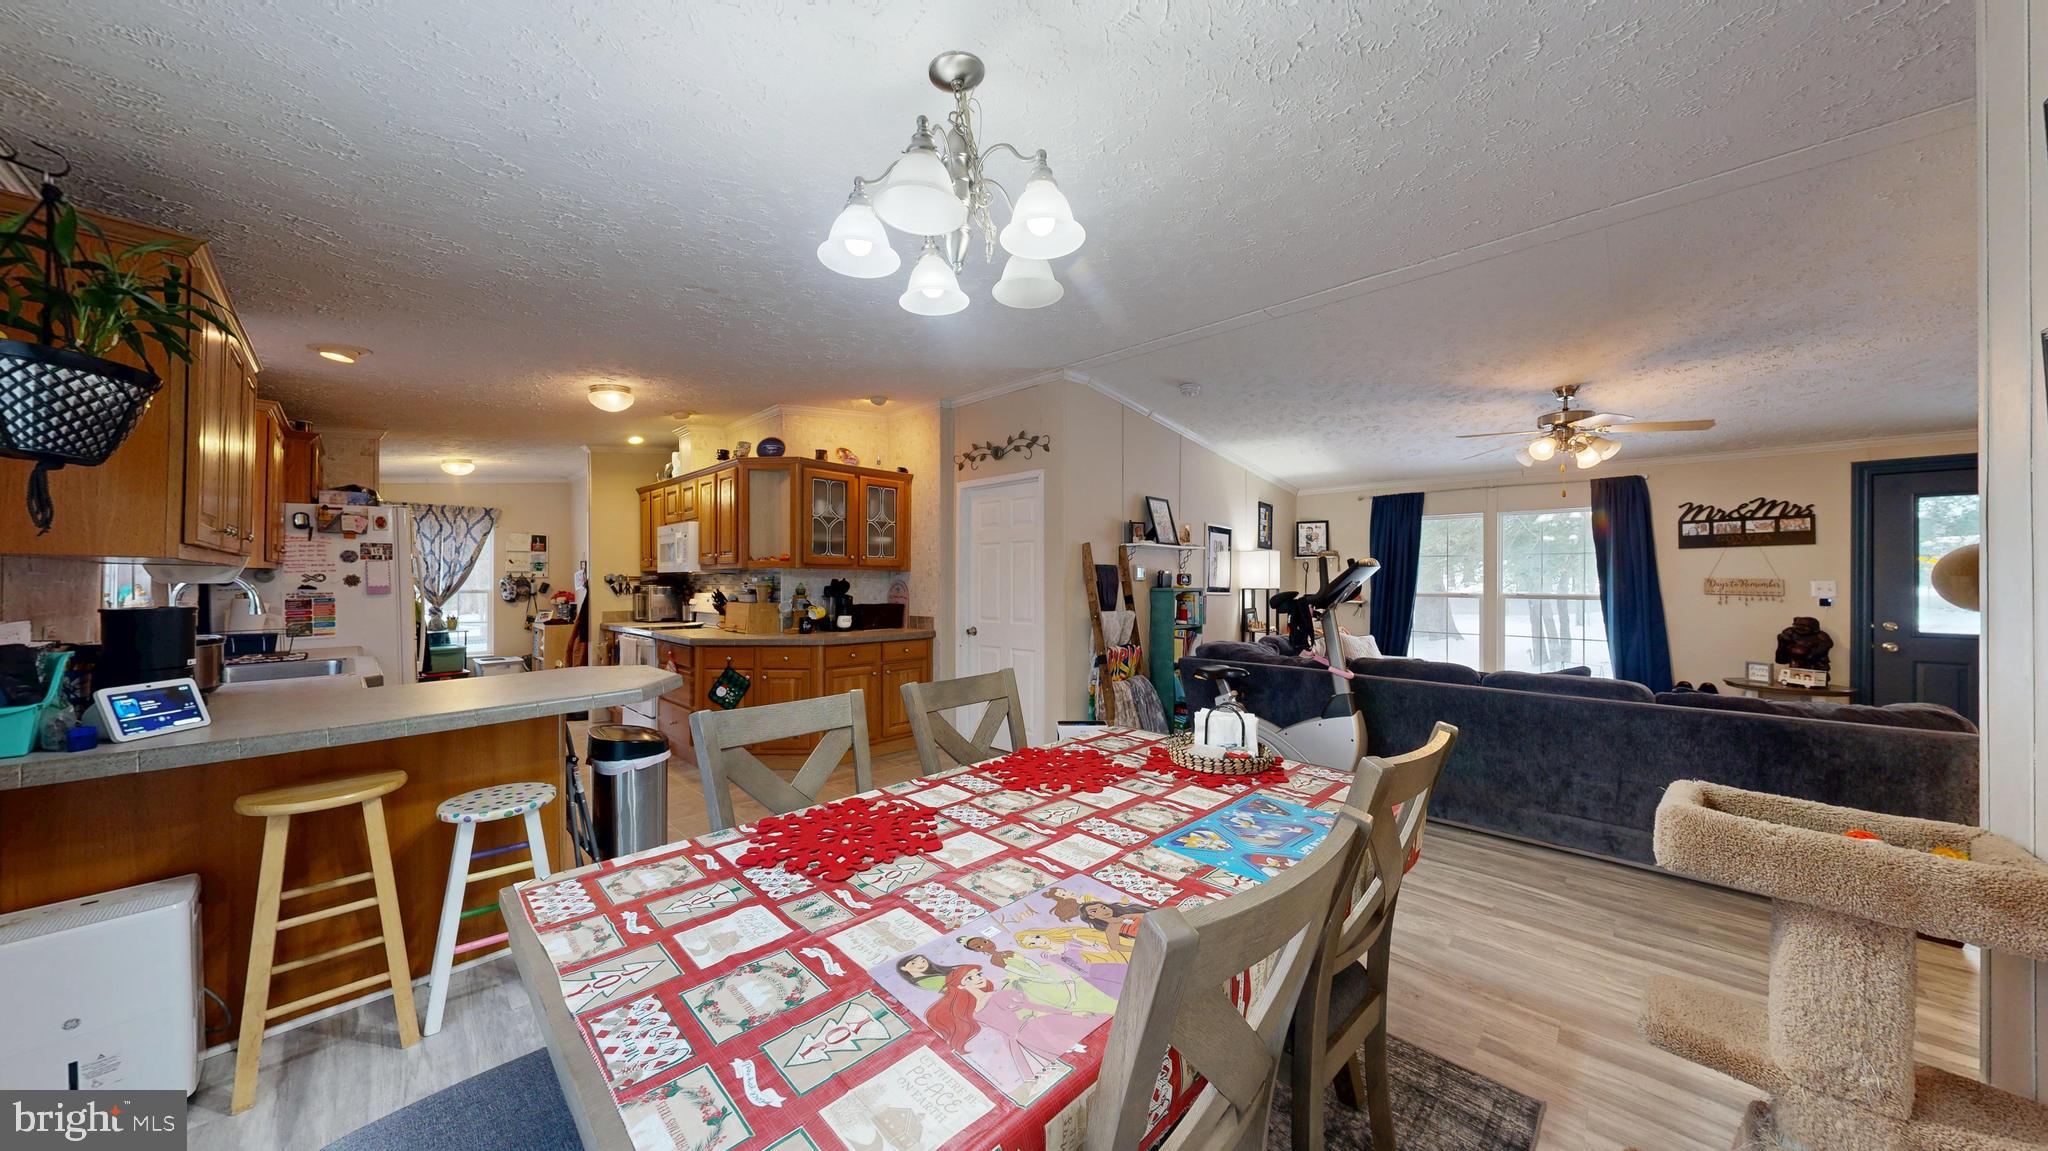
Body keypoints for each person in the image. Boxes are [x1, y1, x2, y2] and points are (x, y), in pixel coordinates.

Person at [925, 966, 1106, 1082]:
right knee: (1051, 1072)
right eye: (970, 978)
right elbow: (1002, 1032)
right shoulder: (971, 1012)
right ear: (961, 986)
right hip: (1017, 1040)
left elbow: (1033, 1006)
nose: (978, 978)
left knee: (1076, 1049)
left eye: (978, 974)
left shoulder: (998, 995)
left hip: (1032, 1027)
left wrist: (1070, 1012)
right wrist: (1015, 1051)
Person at [894, 953, 965, 993]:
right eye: (913, 963)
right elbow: (952, 990)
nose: (921, 964)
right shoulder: (925, 982)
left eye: (923, 961)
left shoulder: (929, 976)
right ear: (903, 968)